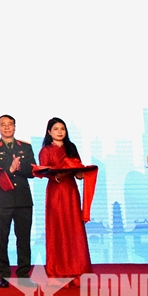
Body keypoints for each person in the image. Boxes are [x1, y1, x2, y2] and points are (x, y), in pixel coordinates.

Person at [39, 117, 92, 285]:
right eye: (56, 129)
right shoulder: (46, 151)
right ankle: (59, 273)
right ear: (49, 132)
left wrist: (81, 173)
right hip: (56, 191)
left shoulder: (71, 147)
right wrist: (57, 174)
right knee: (58, 229)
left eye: (62, 128)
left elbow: (78, 172)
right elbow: (44, 171)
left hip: (71, 191)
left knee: (74, 230)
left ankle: (78, 272)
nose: (60, 132)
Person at [0, 114, 35, 288]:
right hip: (2, 200)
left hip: (23, 199)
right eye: (3, 125)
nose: (7, 127)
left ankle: (23, 275)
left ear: (15, 127)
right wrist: (10, 169)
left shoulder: (25, 147)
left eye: (10, 124)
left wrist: (20, 168)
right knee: (1, 239)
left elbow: (33, 171)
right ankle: (3, 275)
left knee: (24, 239)